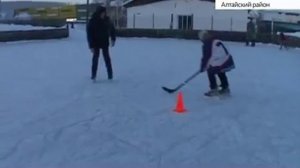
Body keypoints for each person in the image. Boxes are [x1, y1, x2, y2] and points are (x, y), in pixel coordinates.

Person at [198, 31, 235, 97]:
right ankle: (225, 87)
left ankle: (213, 89)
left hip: (220, 60)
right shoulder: (216, 40)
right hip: (227, 59)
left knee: (210, 71)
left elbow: (206, 57)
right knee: (220, 71)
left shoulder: (207, 43)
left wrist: (203, 67)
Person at [87, 6, 116, 81]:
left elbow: (112, 29)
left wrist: (113, 39)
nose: (103, 14)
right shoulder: (93, 21)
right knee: (95, 59)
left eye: (104, 13)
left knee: (107, 58)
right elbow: (89, 34)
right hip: (95, 43)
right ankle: (93, 75)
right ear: (98, 13)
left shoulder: (107, 20)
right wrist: (91, 46)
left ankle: (110, 75)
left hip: (104, 42)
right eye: (102, 13)